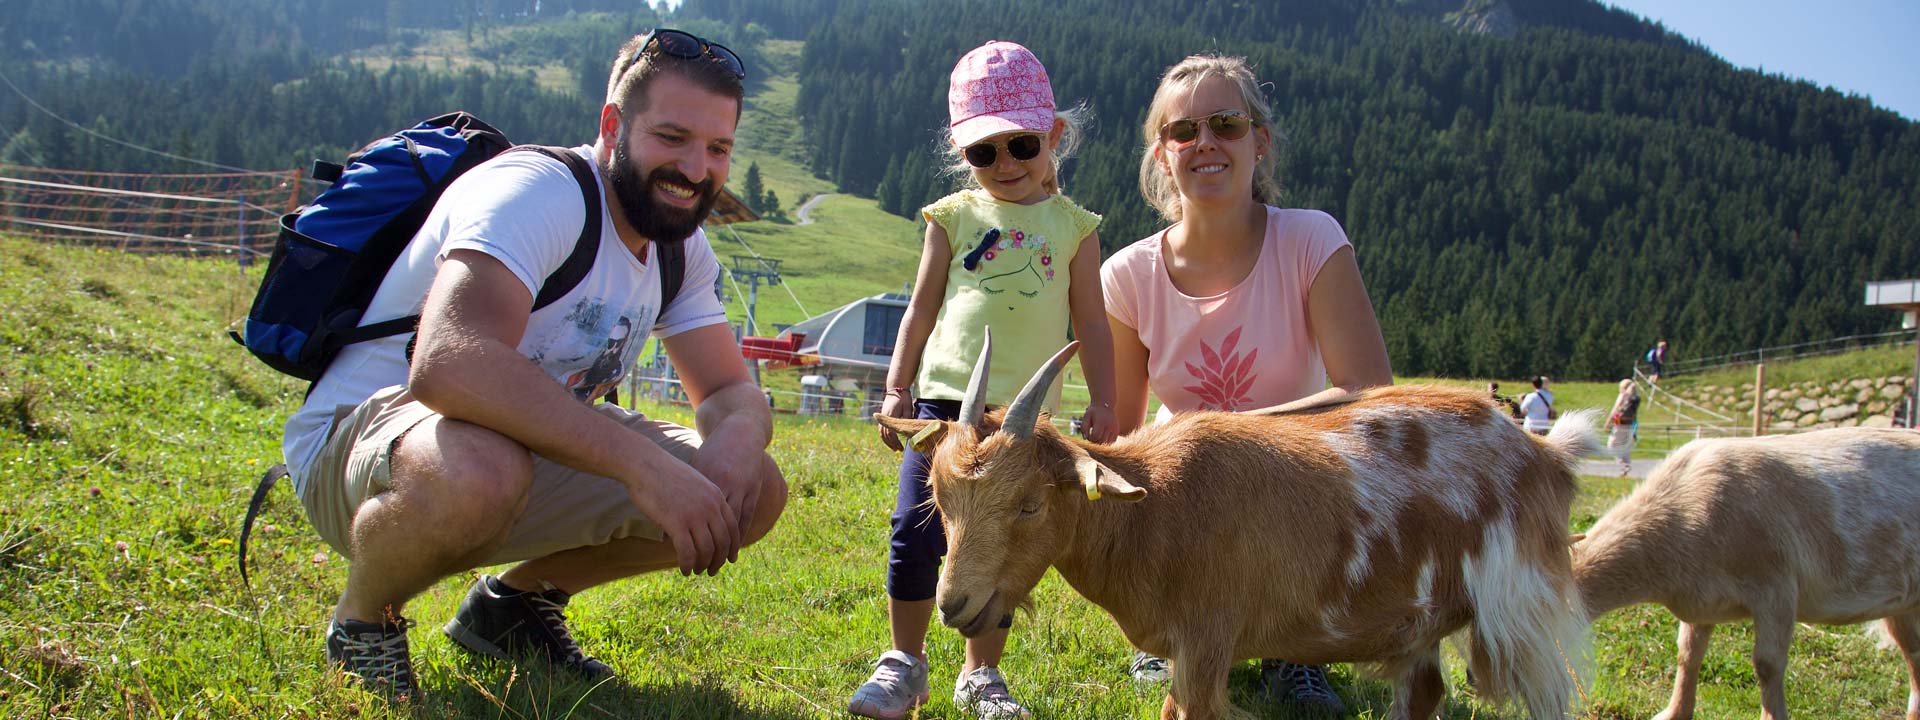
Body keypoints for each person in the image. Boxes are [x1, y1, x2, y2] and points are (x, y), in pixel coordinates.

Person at [278, 29, 788, 702]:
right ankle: (363, 624)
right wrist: (644, 466)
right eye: (672, 137)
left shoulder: (678, 248)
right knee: (483, 468)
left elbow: (726, 388)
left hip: (514, 452)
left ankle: (511, 609)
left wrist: (735, 443)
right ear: (613, 125)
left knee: (756, 490)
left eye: (717, 148)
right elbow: (448, 364)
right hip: (370, 445)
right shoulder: (538, 192)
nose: (697, 169)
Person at [1100, 54, 1393, 717]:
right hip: (1187, 507)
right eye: (1183, 131)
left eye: (1226, 123)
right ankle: (1170, 627)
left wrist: (1232, 437)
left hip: (1297, 489)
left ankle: (1300, 649)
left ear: (1259, 142)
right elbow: (1119, 436)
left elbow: (1368, 390)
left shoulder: (1311, 240)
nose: (1205, 142)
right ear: (1162, 153)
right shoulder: (1126, 276)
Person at [853, 40, 1118, 720]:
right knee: (916, 533)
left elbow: (1091, 319)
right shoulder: (953, 217)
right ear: (960, 153)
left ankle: (981, 675)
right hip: (946, 411)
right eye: (983, 152)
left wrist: (1109, 401)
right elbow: (919, 309)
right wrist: (895, 389)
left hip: (1022, 425)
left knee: (998, 542)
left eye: (1022, 145)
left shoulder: (1074, 228)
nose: (1005, 164)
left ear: (1054, 136)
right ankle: (904, 662)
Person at [1606, 378, 1640, 476]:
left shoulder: (1623, 396)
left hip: (1619, 424)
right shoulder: (1635, 398)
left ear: (1623, 388)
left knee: (1612, 446)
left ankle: (1623, 466)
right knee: (1625, 446)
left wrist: (1608, 422)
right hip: (1629, 424)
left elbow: (1615, 409)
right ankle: (1626, 466)